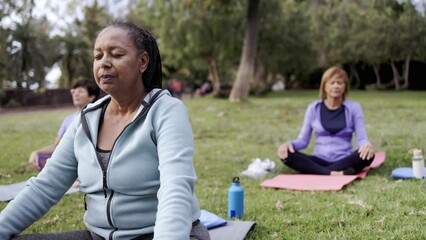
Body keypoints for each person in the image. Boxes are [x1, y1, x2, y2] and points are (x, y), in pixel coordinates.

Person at [0, 21, 210, 240]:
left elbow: (175, 188)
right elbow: (44, 188)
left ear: (143, 62)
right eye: (98, 56)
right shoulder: (86, 120)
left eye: (116, 54)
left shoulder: (166, 111)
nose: (104, 63)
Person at [277, 66, 375, 175]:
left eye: (340, 83)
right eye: (332, 83)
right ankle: (334, 172)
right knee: (287, 155)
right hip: (318, 160)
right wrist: (288, 144)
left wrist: (367, 144)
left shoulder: (354, 108)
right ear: (324, 86)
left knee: (368, 155)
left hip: (344, 159)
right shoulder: (313, 108)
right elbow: (303, 141)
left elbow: (361, 138)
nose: (336, 86)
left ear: (345, 87)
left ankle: (320, 171)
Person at [28, 79, 100, 171]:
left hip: (88, 162)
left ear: (91, 97)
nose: (75, 94)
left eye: (80, 91)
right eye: (74, 91)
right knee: (40, 159)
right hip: (69, 162)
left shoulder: (96, 117)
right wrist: (37, 153)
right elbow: (57, 147)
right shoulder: (68, 119)